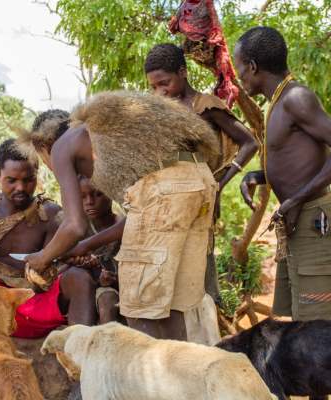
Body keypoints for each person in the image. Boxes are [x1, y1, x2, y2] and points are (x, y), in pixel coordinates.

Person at [22, 91, 219, 341]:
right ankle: (174, 376)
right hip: (199, 180)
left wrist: (43, 257)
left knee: (141, 309)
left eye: (43, 159)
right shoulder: (105, 144)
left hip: (166, 190)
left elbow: (74, 225)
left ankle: (144, 379)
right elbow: (139, 220)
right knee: (168, 309)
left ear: (44, 146)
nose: (51, 166)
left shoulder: (62, 146)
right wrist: (83, 247)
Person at [233, 27, 331, 324]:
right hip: (300, 222)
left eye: (240, 70)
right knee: (299, 327)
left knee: (316, 331)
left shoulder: (296, 98)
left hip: (316, 223)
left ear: (252, 66)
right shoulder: (278, 102)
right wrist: (257, 175)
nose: (240, 78)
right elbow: (299, 159)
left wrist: (296, 200)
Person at [145, 43, 259, 303]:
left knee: (199, 267)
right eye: (153, 87)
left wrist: (219, 183)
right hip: (165, 202)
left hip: (199, 198)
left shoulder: (205, 106)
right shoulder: (159, 110)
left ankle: (209, 324)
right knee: (170, 268)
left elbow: (250, 142)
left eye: (165, 83)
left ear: (183, 72)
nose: (159, 91)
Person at [0, 139, 97, 336]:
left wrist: (75, 262)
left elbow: (54, 268)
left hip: (36, 301)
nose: (21, 188)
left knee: (80, 278)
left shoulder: (49, 214)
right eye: (11, 180)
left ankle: (79, 352)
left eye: (28, 179)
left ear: (36, 176)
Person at [72, 176, 121, 324]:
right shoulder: (77, 230)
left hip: (125, 286)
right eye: (82, 197)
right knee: (107, 300)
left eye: (98, 194)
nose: (89, 202)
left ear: (111, 193)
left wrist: (114, 280)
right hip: (91, 290)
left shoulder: (123, 224)